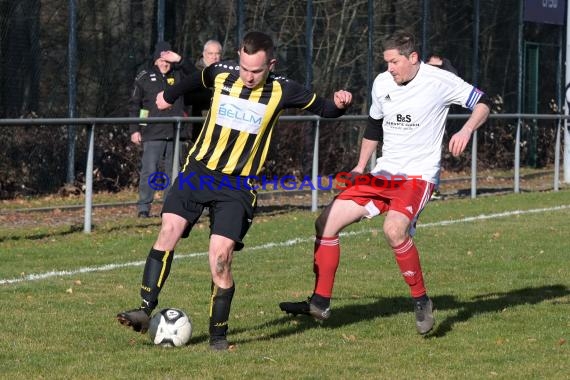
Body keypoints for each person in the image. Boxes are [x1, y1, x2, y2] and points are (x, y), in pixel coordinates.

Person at [117, 31, 353, 351]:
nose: (248, 75)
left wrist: (339, 104)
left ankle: (218, 337)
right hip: (198, 171)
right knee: (168, 230)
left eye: (255, 70)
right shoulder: (221, 73)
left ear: (271, 64)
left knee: (220, 258)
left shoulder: (283, 89)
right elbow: (193, 80)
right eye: (243, 67)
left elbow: (325, 109)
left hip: (237, 186)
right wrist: (168, 96)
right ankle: (144, 310)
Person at [279, 31, 491, 335]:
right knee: (325, 223)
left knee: (393, 230)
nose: (389, 68)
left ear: (412, 58)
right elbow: (374, 126)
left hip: (417, 177)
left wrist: (466, 130)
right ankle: (320, 302)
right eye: (386, 62)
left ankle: (421, 301)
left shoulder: (439, 80)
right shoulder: (382, 83)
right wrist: (360, 166)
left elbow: (482, 103)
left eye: (394, 61)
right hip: (383, 175)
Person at [128, 41, 186, 218]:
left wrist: (182, 60)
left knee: (173, 172)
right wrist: (134, 129)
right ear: (155, 60)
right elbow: (134, 105)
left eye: (168, 59)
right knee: (149, 171)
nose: (165, 63)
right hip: (152, 133)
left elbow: (197, 76)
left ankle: (170, 208)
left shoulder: (179, 75)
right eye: (161, 59)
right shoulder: (144, 77)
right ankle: (144, 207)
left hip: (176, 133)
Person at [425, 52, 459, 199]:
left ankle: (432, 188)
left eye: (438, 67)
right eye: (431, 67)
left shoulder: (445, 77)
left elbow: (454, 78)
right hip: (414, 124)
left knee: (433, 155)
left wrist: (444, 64)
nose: (435, 70)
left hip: (434, 124)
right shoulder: (419, 76)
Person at [184, 40, 223, 144]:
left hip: (221, 126)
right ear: (204, 54)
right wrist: (209, 95)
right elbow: (187, 98)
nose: (214, 57)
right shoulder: (193, 72)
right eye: (210, 53)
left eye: (217, 54)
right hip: (198, 124)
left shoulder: (227, 73)